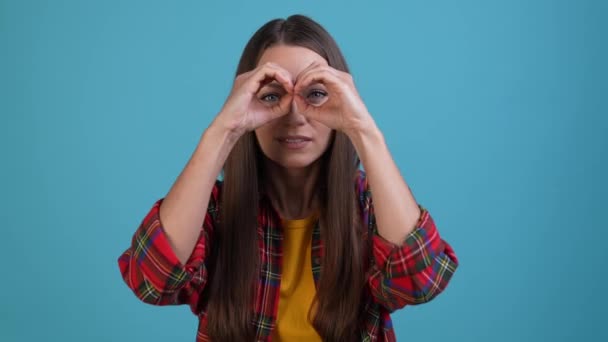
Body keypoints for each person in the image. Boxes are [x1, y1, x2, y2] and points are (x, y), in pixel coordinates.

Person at [117, 14, 459, 342]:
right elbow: (152, 279)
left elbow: (419, 281)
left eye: (315, 94)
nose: (294, 115)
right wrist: (223, 130)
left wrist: (364, 130)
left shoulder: (369, 207)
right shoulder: (216, 212)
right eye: (271, 96)